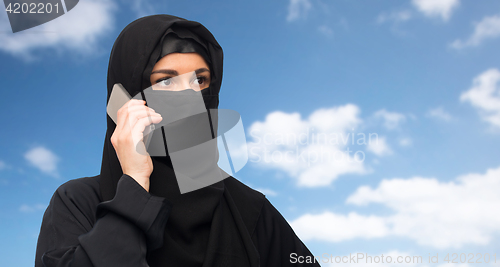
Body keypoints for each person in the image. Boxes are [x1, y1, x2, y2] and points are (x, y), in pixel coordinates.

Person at [35, 14, 321, 267]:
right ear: (124, 99)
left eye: (200, 81)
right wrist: (134, 183)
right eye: (166, 81)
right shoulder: (77, 203)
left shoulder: (251, 210)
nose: (192, 98)